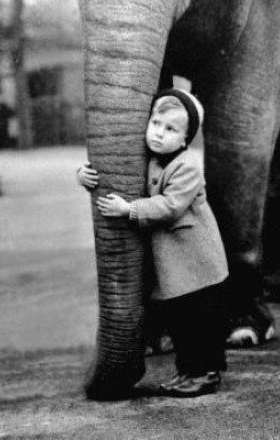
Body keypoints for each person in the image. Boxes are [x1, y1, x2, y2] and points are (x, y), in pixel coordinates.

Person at [76, 88, 229, 398]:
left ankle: (205, 374)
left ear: (186, 139)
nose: (159, 134)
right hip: (174, 266)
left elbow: (171, 205)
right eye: (156, 124)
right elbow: (116, 173)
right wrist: (84, 175)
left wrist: (129, 209)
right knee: (181, 324)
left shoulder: (186, 167)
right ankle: (189, 372)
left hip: (196, 264)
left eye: (171, 129)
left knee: (198, 323)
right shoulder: (153, 158)